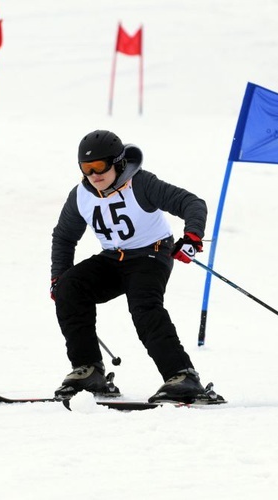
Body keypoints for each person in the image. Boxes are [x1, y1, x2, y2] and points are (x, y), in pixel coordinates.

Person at [50, 129, 209, 403]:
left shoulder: (141, 184)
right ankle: (88, 370)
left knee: (143, 306)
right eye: (86, 168)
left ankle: (182, 375)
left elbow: (190, 203)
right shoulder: (81, 195)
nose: (94, 175)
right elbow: (64, 237)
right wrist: (58, 278)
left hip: (151, 255)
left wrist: (192, 236)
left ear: (119, 162)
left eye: (100, 166)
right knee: (69, 288)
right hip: (114, 259)